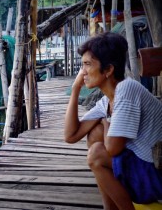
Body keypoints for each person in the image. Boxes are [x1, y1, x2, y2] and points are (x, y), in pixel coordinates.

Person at [64, 32, 162, 210]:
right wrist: (75, 89)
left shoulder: (127, 89)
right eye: (82, 65)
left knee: (96, 154)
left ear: (108, 70)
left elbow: (112, 148)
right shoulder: (106, 100)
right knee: (95, 134)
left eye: (87, 65)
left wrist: (105, 120)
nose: (82, 72)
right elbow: (70, 136)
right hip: (143, 170)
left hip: (155, 175)